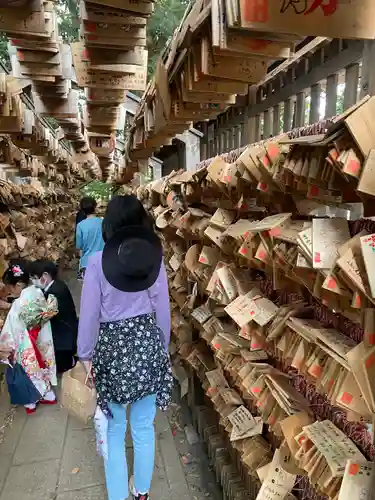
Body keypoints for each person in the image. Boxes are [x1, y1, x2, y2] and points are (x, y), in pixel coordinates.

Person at [77, 194, 173, 500]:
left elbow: (90, 314)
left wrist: (85, 355)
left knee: (115, 429)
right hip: (147, 345)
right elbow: (163, 311)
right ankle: (141, 491)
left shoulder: (96, 262)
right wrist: (163, 348)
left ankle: (118, 495)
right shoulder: (155, 259)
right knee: (144, 426)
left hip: (112, 350)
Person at [0, 260, 57, 414]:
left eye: (11, 288)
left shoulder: (19, 304)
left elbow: (11, 329)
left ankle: (31, 401)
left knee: (29, 370)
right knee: (43, 366)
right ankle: (49, 394)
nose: (10, 292)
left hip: (27, 342)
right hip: (41, 336)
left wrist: (5, 344)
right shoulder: (36, 291)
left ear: (18, 285)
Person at [28, 260, 78, 374]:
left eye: (34, 277)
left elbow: (43, 315)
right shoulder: (56, 285)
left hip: (63, 337)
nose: (33, 281)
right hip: (64, 332)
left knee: (62, 368)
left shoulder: (55, 292)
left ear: (45, 275)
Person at [76, 197, 104, 280]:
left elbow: (79, 246)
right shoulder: (103, 223)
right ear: (95, 207)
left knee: (89, 289)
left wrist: (80, 266)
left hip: (87, 263)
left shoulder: (80, 225)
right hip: (102, 261)